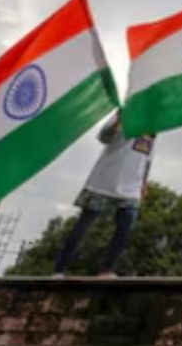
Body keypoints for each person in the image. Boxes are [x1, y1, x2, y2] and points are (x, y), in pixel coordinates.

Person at [53, 112, 155, 277]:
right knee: (84, 225)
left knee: (125, 228)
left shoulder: (154, 124)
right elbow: (103, 137)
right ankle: (60, 269)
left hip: (131, 186)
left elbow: (148, 156)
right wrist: (119, 121)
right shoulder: (125, 112)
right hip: (105, 181)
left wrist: (144, 180)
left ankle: (107, 269)